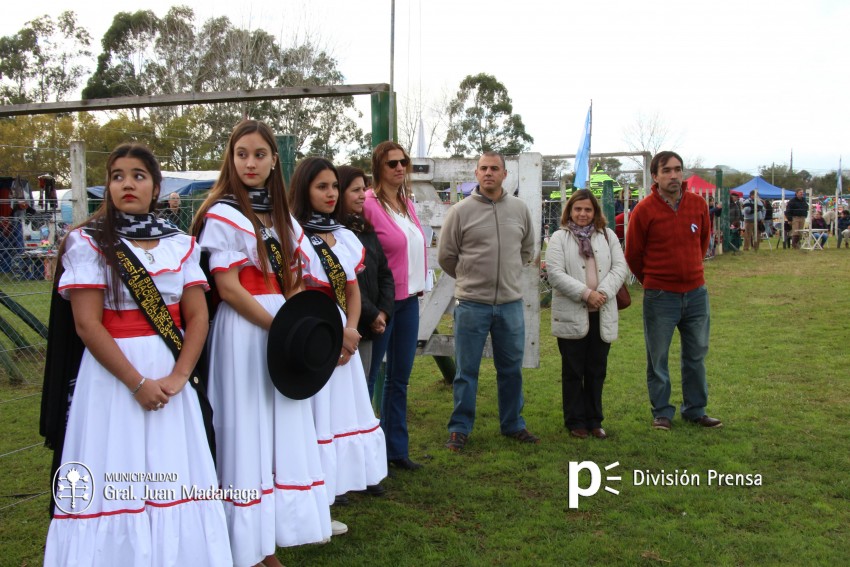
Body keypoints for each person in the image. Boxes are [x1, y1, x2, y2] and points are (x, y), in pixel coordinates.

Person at [41, 143, 231, 565]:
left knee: (173, 470)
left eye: (138, 175)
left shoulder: (180, 245)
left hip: (170, 378)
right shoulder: (87, 243)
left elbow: (197, 319)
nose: (128, 183)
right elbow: (88, 324)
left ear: (157, 187)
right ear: (108, 186)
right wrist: (137, 383)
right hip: (112, 381)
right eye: (118, 176)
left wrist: (180, 377)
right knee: (114, 468)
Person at [192, 120, 332, 566]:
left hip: (280, 330)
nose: (250, 163)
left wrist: (295, 325)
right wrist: (280, 325)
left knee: (280, 428)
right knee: (244, 430)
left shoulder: (283, 217)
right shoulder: (223, 213)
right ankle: (244, 544)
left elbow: (293, 279)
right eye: (241, 154)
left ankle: (266, 537)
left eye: (259, 154)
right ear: (230, 160)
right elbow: (229, 287)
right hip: (244, 332)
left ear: (274, 161)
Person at [288, 157, 388, 504]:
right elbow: (294, 289)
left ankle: (333, 489)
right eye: (322, 187)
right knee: (313, 414)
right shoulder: (291, 234)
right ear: (304, 189)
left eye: (334, 186)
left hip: (342, 329)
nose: (331, 194)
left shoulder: (343, 236)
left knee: (338, 412)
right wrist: (330, 331)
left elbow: (353, 289)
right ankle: (312, 495)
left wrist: (350, 328)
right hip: (310, 329)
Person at [438, 151, 539, 452]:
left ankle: (513, 424)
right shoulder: (460, 211)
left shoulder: (519, 209)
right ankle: (459, 428)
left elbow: (528, 249)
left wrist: (506, 276)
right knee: (466, 372)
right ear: (476, 173)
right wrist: (470, 277)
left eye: (495, 168)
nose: (489, 173)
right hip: (471, 304)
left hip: (509, 304)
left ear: (504, 174)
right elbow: (446, 256)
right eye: (483, 168)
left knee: (510, 369)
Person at [625, 150, 722, 431]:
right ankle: (662, 413)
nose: (674, 175)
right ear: (655, 176)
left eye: (678, 169)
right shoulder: (643, 210)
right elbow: (633, 254)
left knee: (696, 355)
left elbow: (702, 243)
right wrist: (655, 280)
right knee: (658, 359)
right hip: (660, 296)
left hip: (695, 293)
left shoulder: (697, 205)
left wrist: (690, 272)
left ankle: (695, 410)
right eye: (667, 170)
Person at [361, 141, 428, 471]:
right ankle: (362, 455)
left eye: (404, 162)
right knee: (368, 378)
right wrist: (375, 307)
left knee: (399, 380)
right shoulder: (370, 205)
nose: (400, 168)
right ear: (378, 168)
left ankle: (395, 450)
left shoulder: (405, 203)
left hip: (410, 301)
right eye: (392, 164)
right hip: (384, 305)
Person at [546, 189, 627, 440]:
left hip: (601, 313)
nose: (582, 214)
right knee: (572, 370)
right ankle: (575, 420)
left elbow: (619, 267)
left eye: (588, 209)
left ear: (595, 212)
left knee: (596, 369)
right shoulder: (559, 238)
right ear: (570, 210)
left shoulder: (607, 236)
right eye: (578, 209)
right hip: (573, 312)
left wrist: (602, 292)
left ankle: (594, 419)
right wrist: (585, 293)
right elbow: (555, 273)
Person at [337, 165, 395, 384]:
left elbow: (384, 272)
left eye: (364, 189)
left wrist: (384, 311)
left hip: (371, 324)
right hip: (352, 323)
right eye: (355, 190)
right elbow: (349, 282)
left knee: (366, 380)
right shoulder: (337, 232)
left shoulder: (366, 230)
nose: (363, 195)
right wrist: (373, 315)